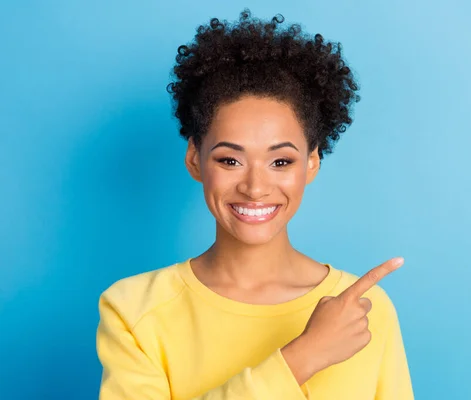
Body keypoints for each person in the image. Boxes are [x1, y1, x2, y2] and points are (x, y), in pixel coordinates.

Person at [96, 8, 414, 400]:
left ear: (311, 163)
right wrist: (301, 358)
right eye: (230, 160)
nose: (255, 187)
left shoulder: (364, 312)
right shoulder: (133, 310)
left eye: (281, 161)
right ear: (195, 159)